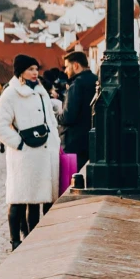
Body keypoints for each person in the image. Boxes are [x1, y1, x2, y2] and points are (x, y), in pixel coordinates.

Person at [0, 55, 61, 247]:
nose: (34, 73)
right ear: (20, 71)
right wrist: (20, 144)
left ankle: (34, 239)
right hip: (25, 156)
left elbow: (50, 121)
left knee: (39, 199)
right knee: (19, 198)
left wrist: (55, 142)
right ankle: (15, 241)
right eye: (30, 69)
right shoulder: (11, 94)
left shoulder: (40, 92)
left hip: (45, 153)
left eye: (36, 69)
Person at [57, 50, 94, 194]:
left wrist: (56, 116)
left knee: (71, 185)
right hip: (90, 141)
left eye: (67, 67)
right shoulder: (96, 80)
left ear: (76, 66)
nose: (66, 71)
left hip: (73, 143)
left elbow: (68, 116)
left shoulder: (76, 85)